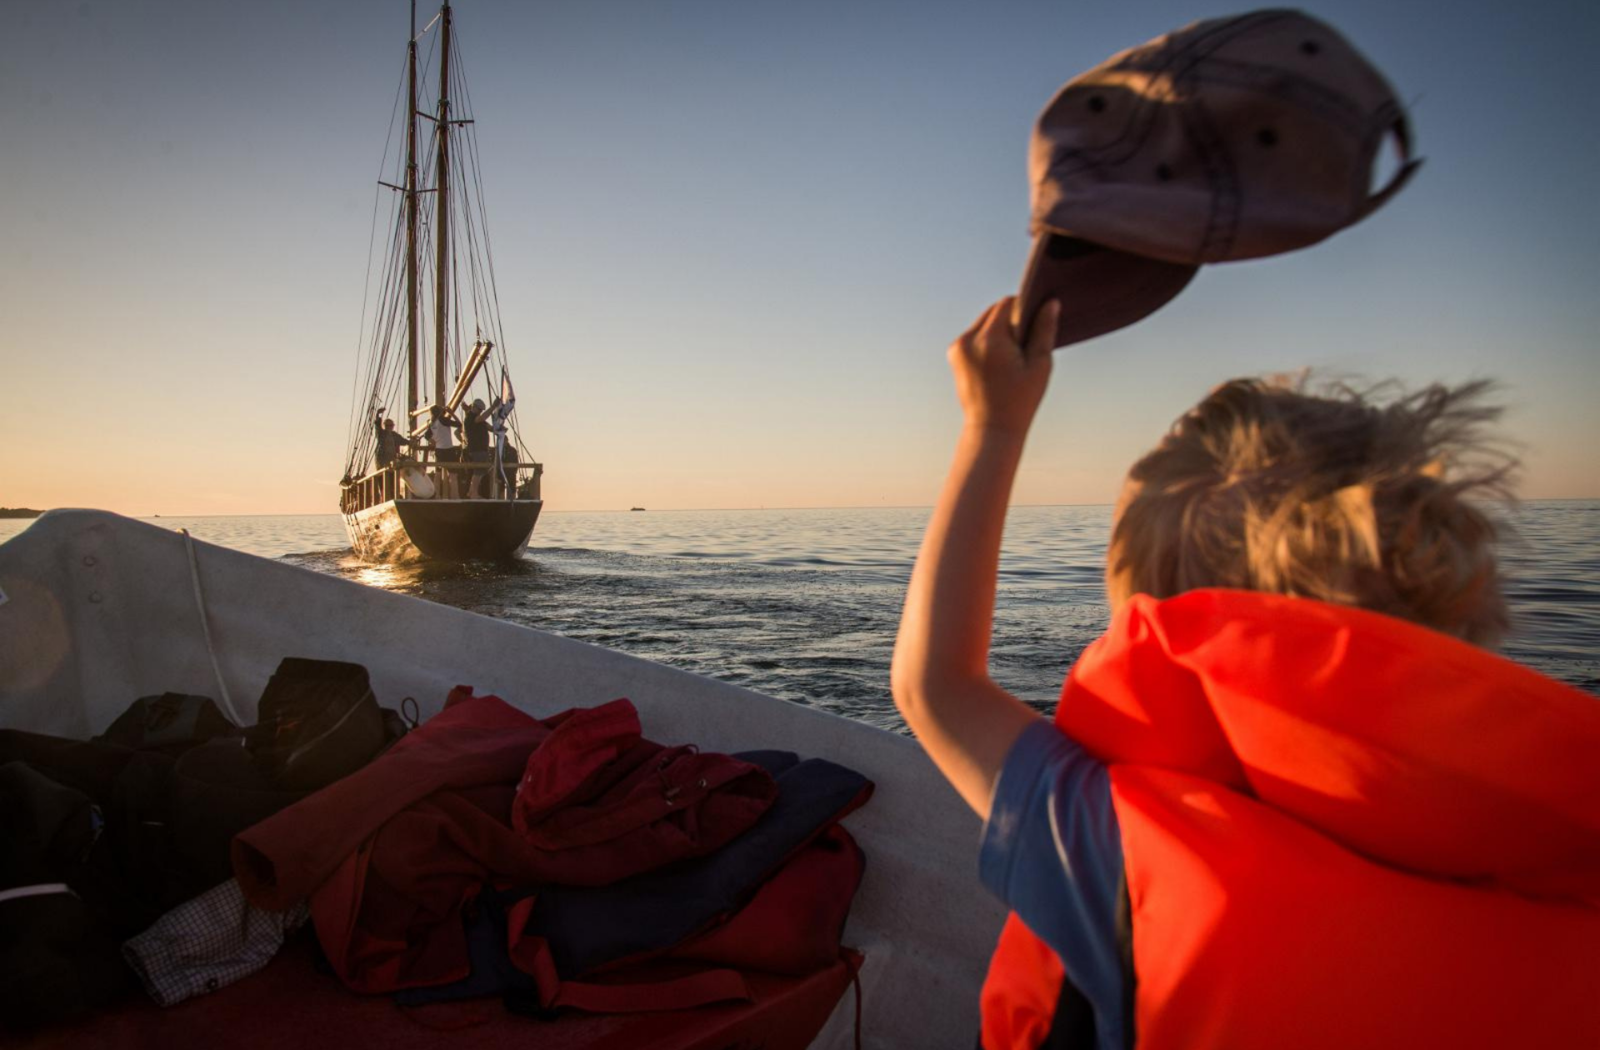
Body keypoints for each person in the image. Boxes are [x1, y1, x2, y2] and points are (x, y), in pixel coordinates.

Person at [891, 298, 1599, 1049]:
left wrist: (993, 423)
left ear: (1156, 616)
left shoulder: (1112, 844)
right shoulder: (1564, 871)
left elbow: (935, 684)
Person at [427, 405, 461, 498]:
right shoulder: (443, 420)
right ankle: (455, 496)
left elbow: (427, 435)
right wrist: (451, 413)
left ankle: (436, 495)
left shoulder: (432, 423)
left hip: (438, 450)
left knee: (438, 474)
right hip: (448, 449)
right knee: (453, 475)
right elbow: (459, 424)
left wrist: (432, 441)